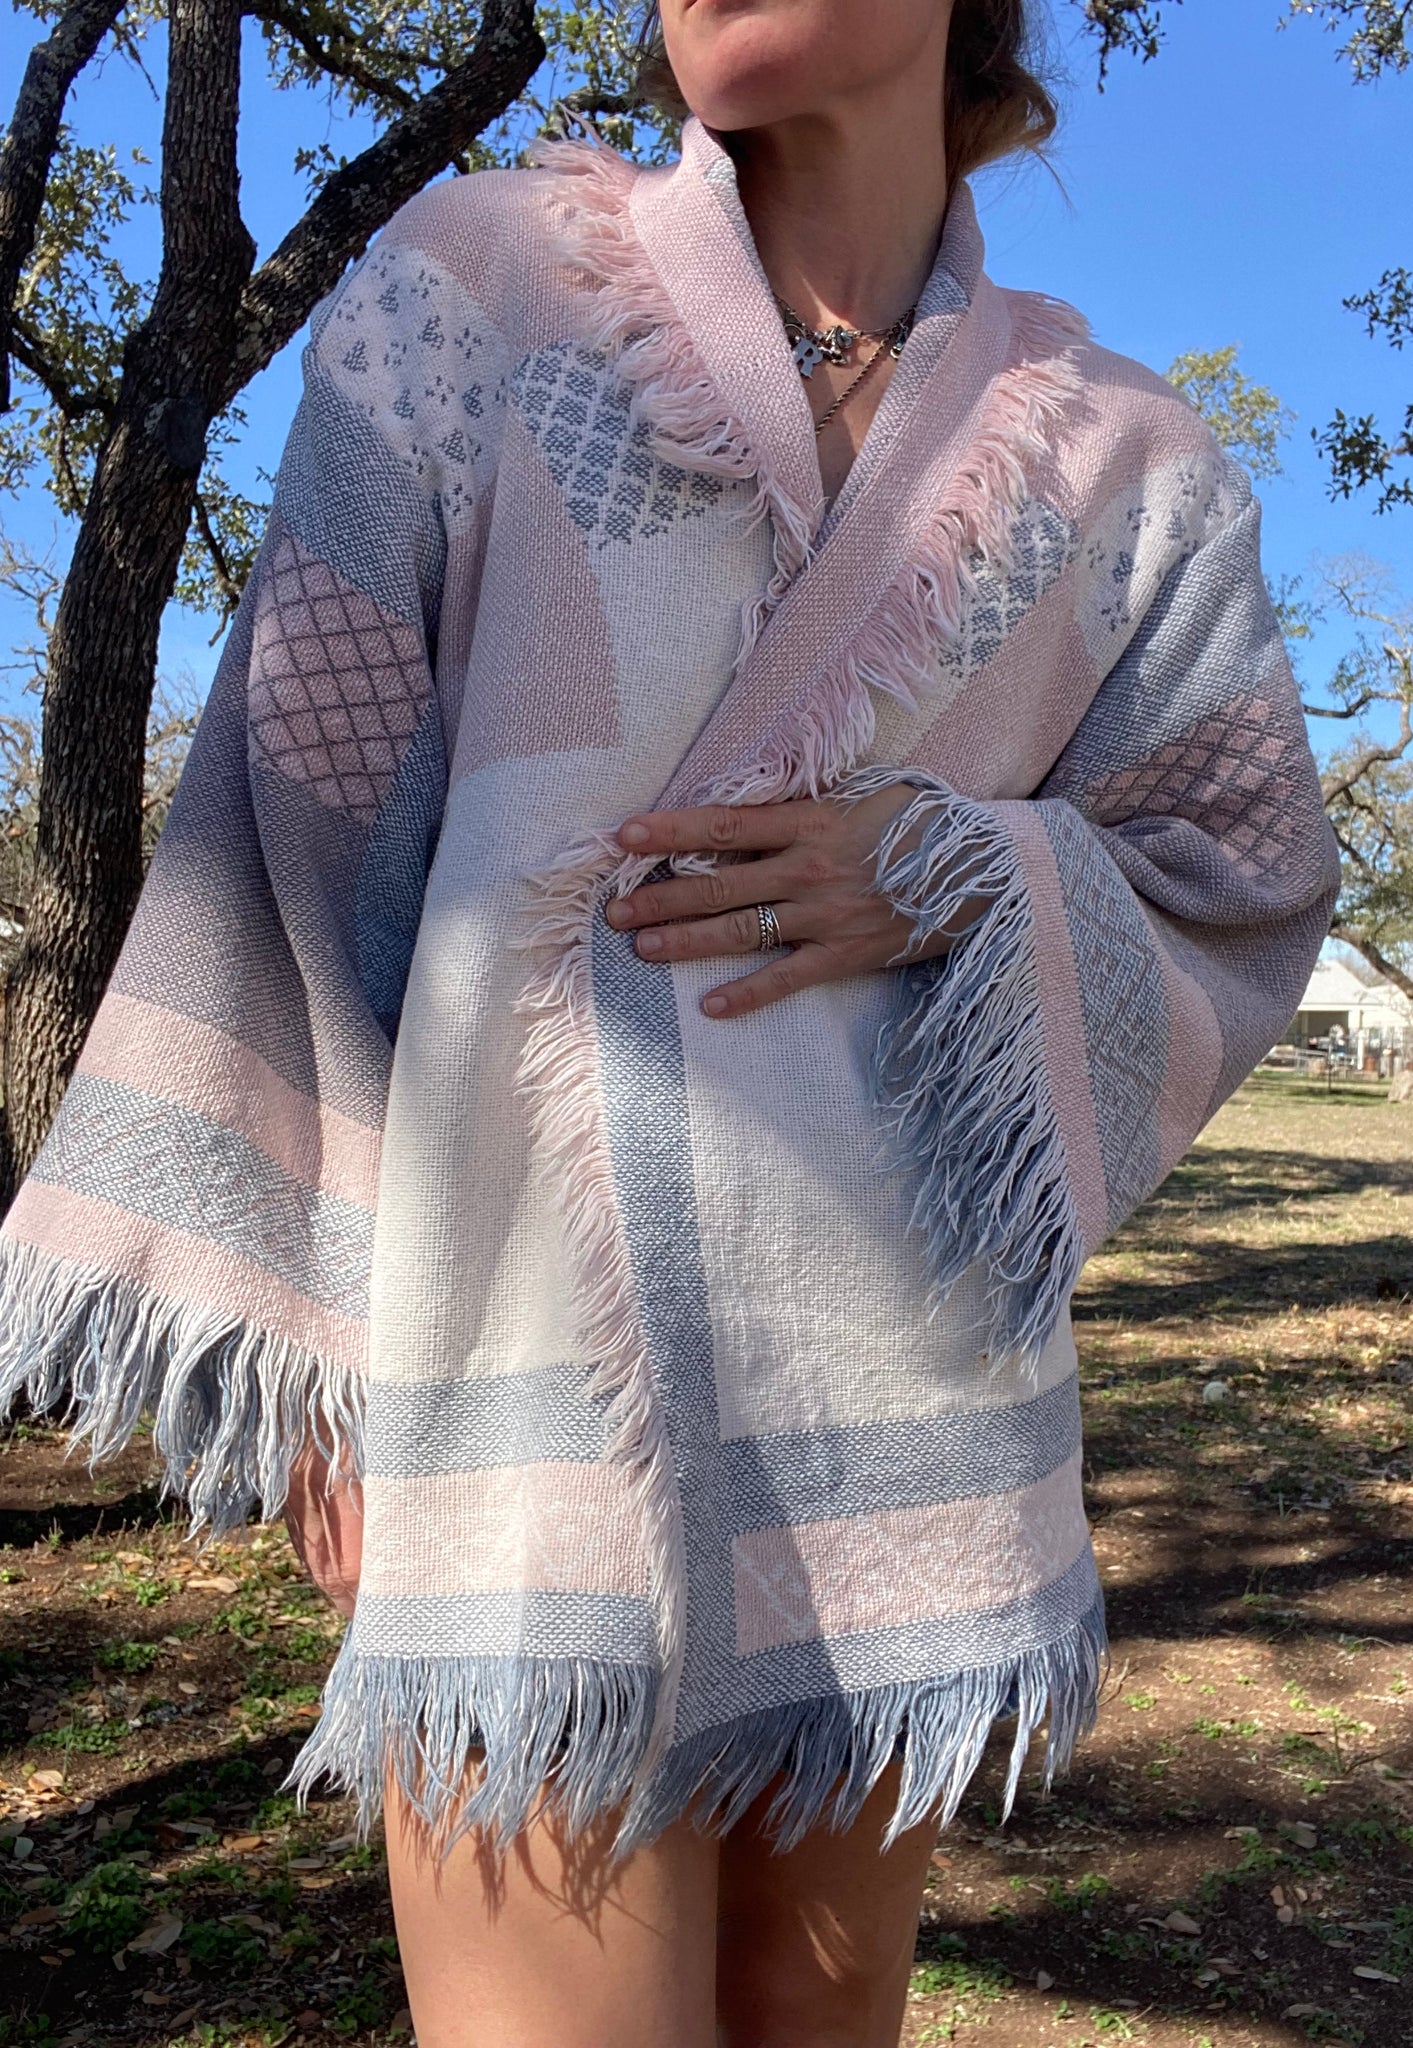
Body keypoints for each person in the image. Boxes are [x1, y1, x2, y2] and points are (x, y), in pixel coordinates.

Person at [0, 3, 1342, 2042]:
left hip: (903, 1428)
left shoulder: (1130, 464)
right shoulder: (482, 288)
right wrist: (321, 1337)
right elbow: (289, 825)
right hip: (512, 1381)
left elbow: (1236, 879)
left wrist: (961, 867)